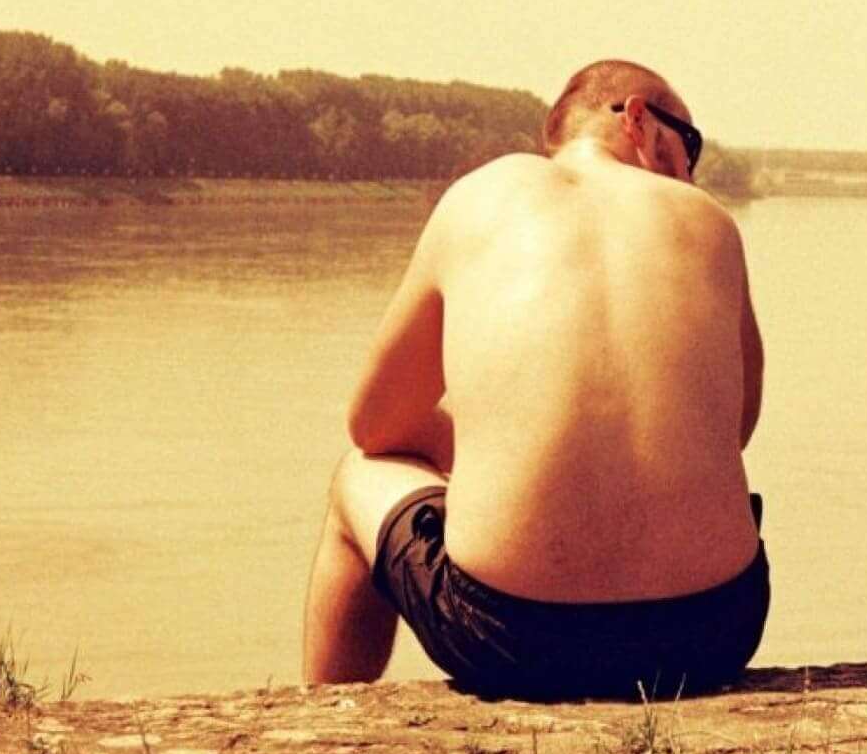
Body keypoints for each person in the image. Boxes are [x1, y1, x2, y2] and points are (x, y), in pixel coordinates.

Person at [301, 60, 767, 699]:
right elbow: (733, 430)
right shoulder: (709, 221)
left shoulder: (480, 197)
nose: (690, 172)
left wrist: (491, 448)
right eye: (687, 145)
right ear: (635, 117)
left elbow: (374, 426)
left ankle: (326, 718)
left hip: (510, 636)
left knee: (356, 473)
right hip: (712, 632)